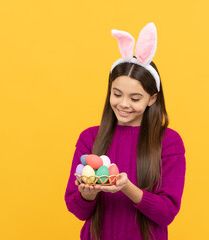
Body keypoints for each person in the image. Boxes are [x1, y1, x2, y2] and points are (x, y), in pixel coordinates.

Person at [64, 22, 186, 240]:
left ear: (152, 99)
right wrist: (86, 193)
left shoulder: (168, 141)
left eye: (135, 98)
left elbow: (166, 213)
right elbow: (77, 210)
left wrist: (126, 187)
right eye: (117, 94)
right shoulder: (90, 138)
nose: (123, 104)